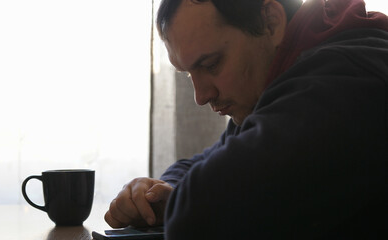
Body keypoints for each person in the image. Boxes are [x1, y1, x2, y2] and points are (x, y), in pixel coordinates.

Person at [105, 0, 388, 238]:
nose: (201, 96)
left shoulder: (344, 82)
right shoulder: (280, 83)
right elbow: (202, 163)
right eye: (189, 74)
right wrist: (159, 194)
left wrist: (179, 201)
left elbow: (197, 214)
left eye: (211, 64)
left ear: (271, 23)